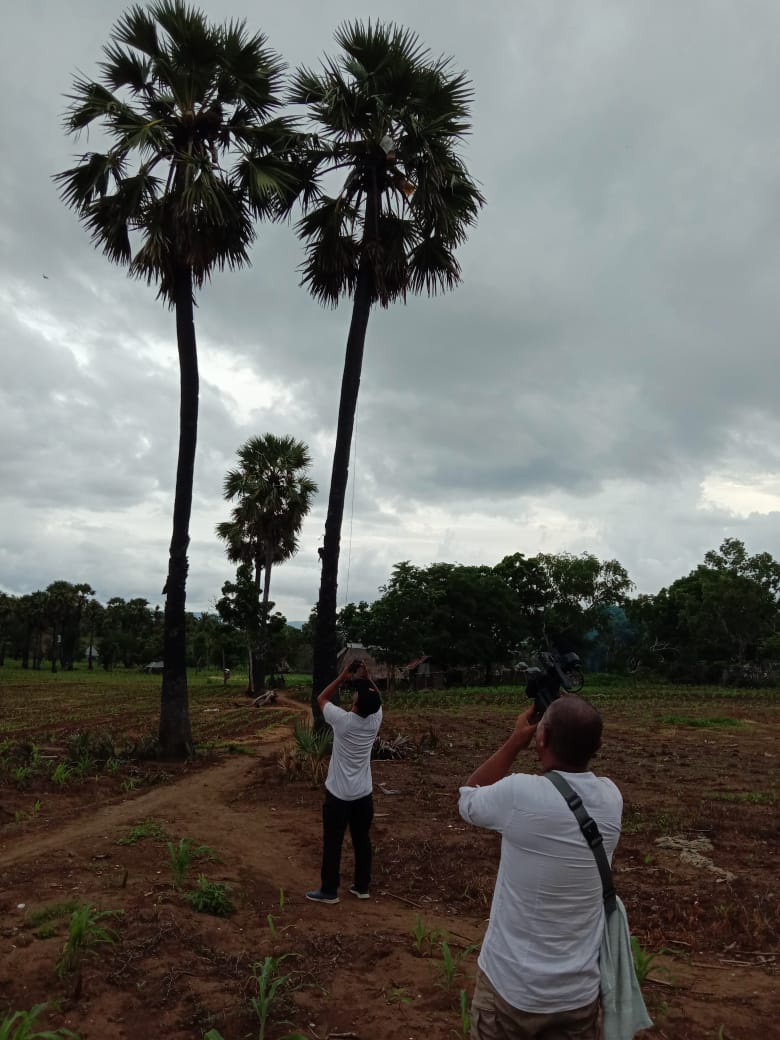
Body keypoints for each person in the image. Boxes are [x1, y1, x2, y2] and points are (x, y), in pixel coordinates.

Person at [459, 696, 623, 1040]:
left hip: (510, 989)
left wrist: (515, 741)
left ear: (542, 738)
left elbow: (469, 798)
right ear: (599, 746)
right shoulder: (611, 799)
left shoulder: (521, 793)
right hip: (577, 996)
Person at [306, 661, 383, 905]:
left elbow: (321, 698)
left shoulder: (343, 721)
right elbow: (376, 699)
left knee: (333, 842)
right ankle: (362, 886)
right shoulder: (374, 719)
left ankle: (329, 890)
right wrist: (368, 679)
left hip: (338, 795)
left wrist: (342, 676)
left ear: (357, 704)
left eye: (356, 695)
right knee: (362, 840)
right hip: (363, 795)